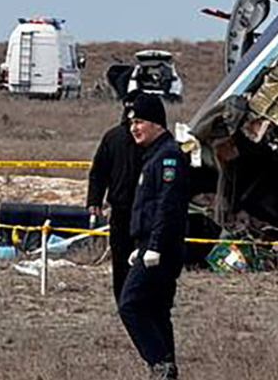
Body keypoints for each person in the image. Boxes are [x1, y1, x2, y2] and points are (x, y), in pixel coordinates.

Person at [118, 94, 190, 380]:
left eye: (140, 122)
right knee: (156, 310)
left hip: (161, 246)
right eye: (131, 123)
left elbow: (168, 205)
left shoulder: (168, 156)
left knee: (131, 304)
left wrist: (155, 246)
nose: (134, 128)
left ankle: (160, 364)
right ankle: (166, 371)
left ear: (157, 123)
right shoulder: (153, 156)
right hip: (149, 244)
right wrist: (140, 245)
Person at [86, 92, 144, 303]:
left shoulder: (151, 142)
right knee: (120, 259)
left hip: (145, 211)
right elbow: (99, 171)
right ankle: (123, 299)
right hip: (120, 209)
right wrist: (94, 200)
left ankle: (140, 299)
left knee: (144, 258)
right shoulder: (113, 137)